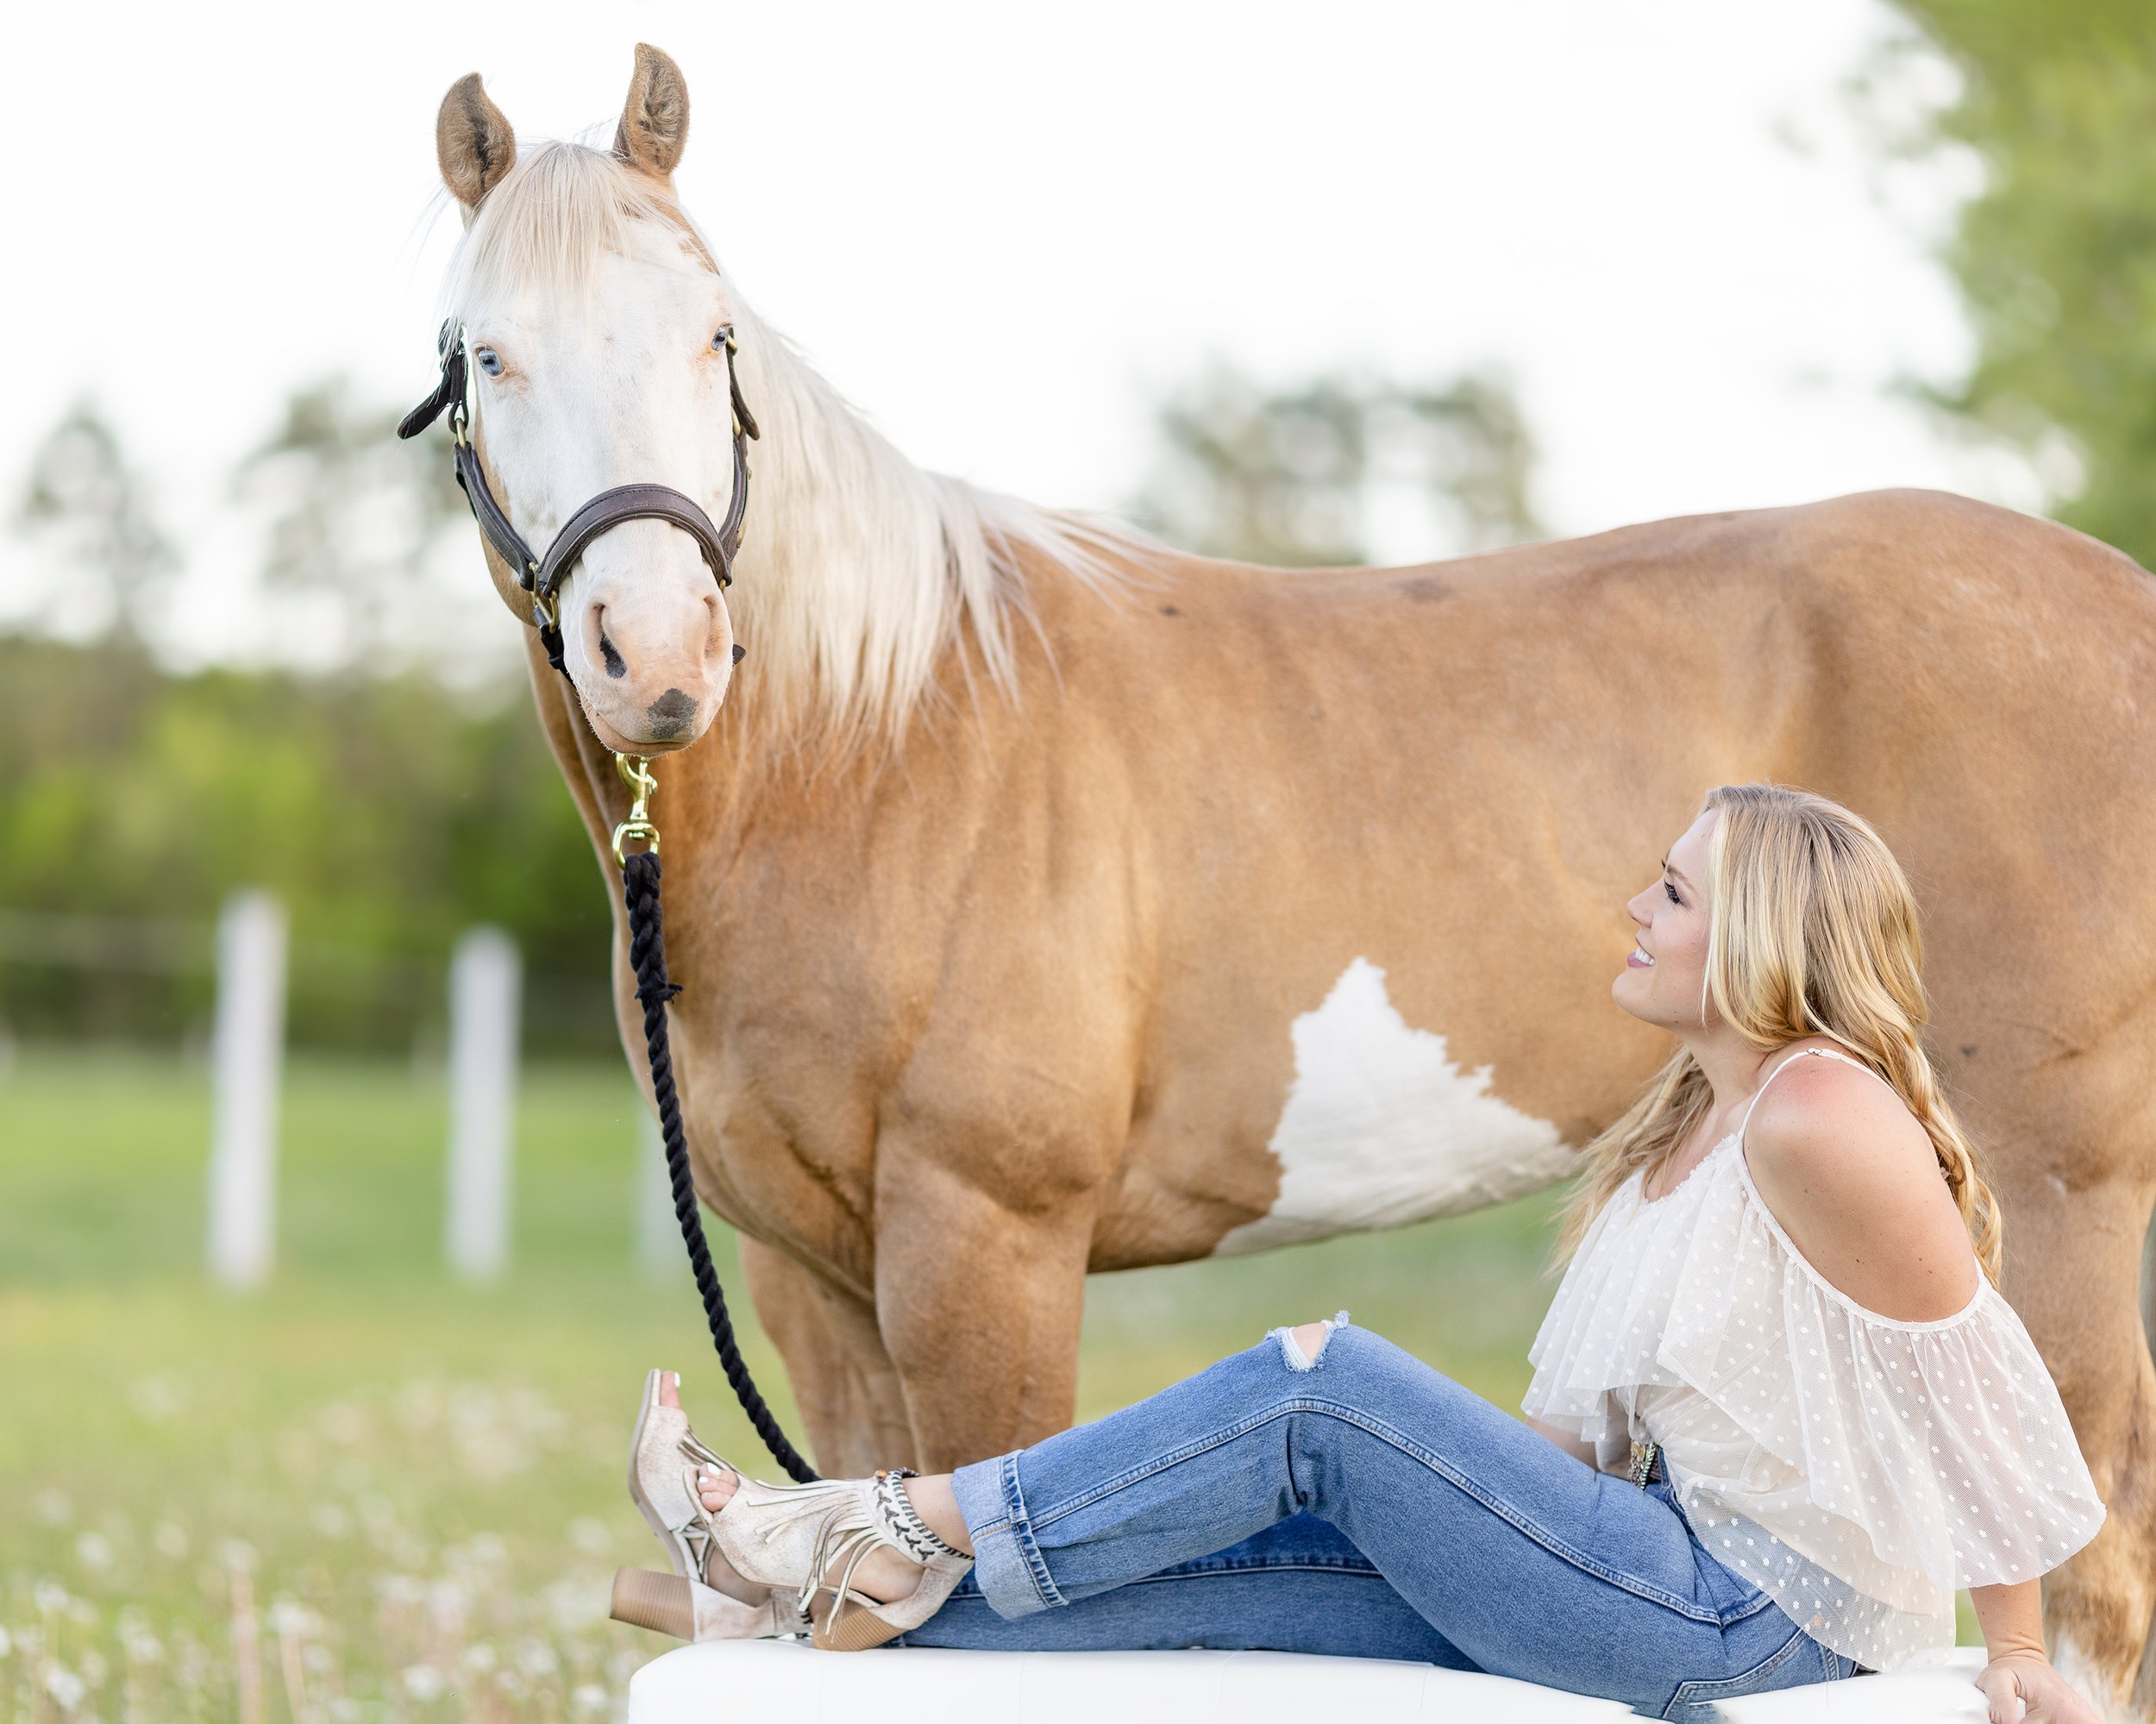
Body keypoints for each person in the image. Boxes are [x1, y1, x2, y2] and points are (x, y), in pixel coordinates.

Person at [612, 784, 2107, 1723]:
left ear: (1761, 934)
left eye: (1671, 891)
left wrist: (2021, 1647)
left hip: (1748, 1625)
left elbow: (1968, 1381)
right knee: (1229, 1576)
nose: (1634, 911)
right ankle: (771, 1599)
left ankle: (858, 1523)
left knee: (1320, 1388)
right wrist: (1450, 1509)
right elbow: (1572, 1451)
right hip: (1640, 1563)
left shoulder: (1820, 1115)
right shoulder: (1678, 1131)